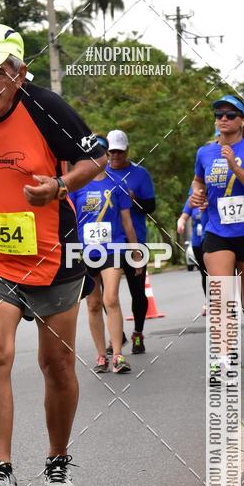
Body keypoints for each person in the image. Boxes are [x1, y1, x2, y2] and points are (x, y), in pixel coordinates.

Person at [0, 24, 106, 486]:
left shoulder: (48, 109)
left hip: (55, 256)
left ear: (19, 72)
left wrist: (59, 187)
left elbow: (93, 160)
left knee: (56, 363)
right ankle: (0, 471)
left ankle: (57, 461)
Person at [191, 94, 244, 383]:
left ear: (240, 120)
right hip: (217, 233)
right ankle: (224, 359)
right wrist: (197, 195)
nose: (223, 119)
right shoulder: (204, 153)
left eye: (229, 115)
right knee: (222, 297)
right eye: (218, 114)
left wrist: (236, 167)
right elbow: (198, 182)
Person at [69, 134, 141, 373]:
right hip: (85, 251)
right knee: (93, 303)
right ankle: (101, 356)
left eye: (100, 151)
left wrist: (136, 252)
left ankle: (118, 355)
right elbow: (68, 221)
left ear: (105, 154)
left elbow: (127, 222)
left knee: (110, 298)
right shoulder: (76, 186)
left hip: (113, 248)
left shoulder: (117, 184)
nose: (96, 156)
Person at [105, 129, 156, 354]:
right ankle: (118, 335)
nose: (115, 156)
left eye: (119, 151)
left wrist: (133, 201)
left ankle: (137, 333)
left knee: (137, 290)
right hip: (108, 242)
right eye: (112, 151)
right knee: (108, 294)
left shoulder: (140, 174)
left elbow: (151, 207)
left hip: (135, 240)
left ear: (127, 150)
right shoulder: (99, 174)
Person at [177, 193, 208, 315]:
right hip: (197, 242)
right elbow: (184, 215)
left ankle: (228, 301)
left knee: (218, 273)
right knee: (205, 273)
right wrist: (181, 222)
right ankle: (209, 302)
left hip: (214, 238)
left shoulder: (214, 192)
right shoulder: (193, 197)